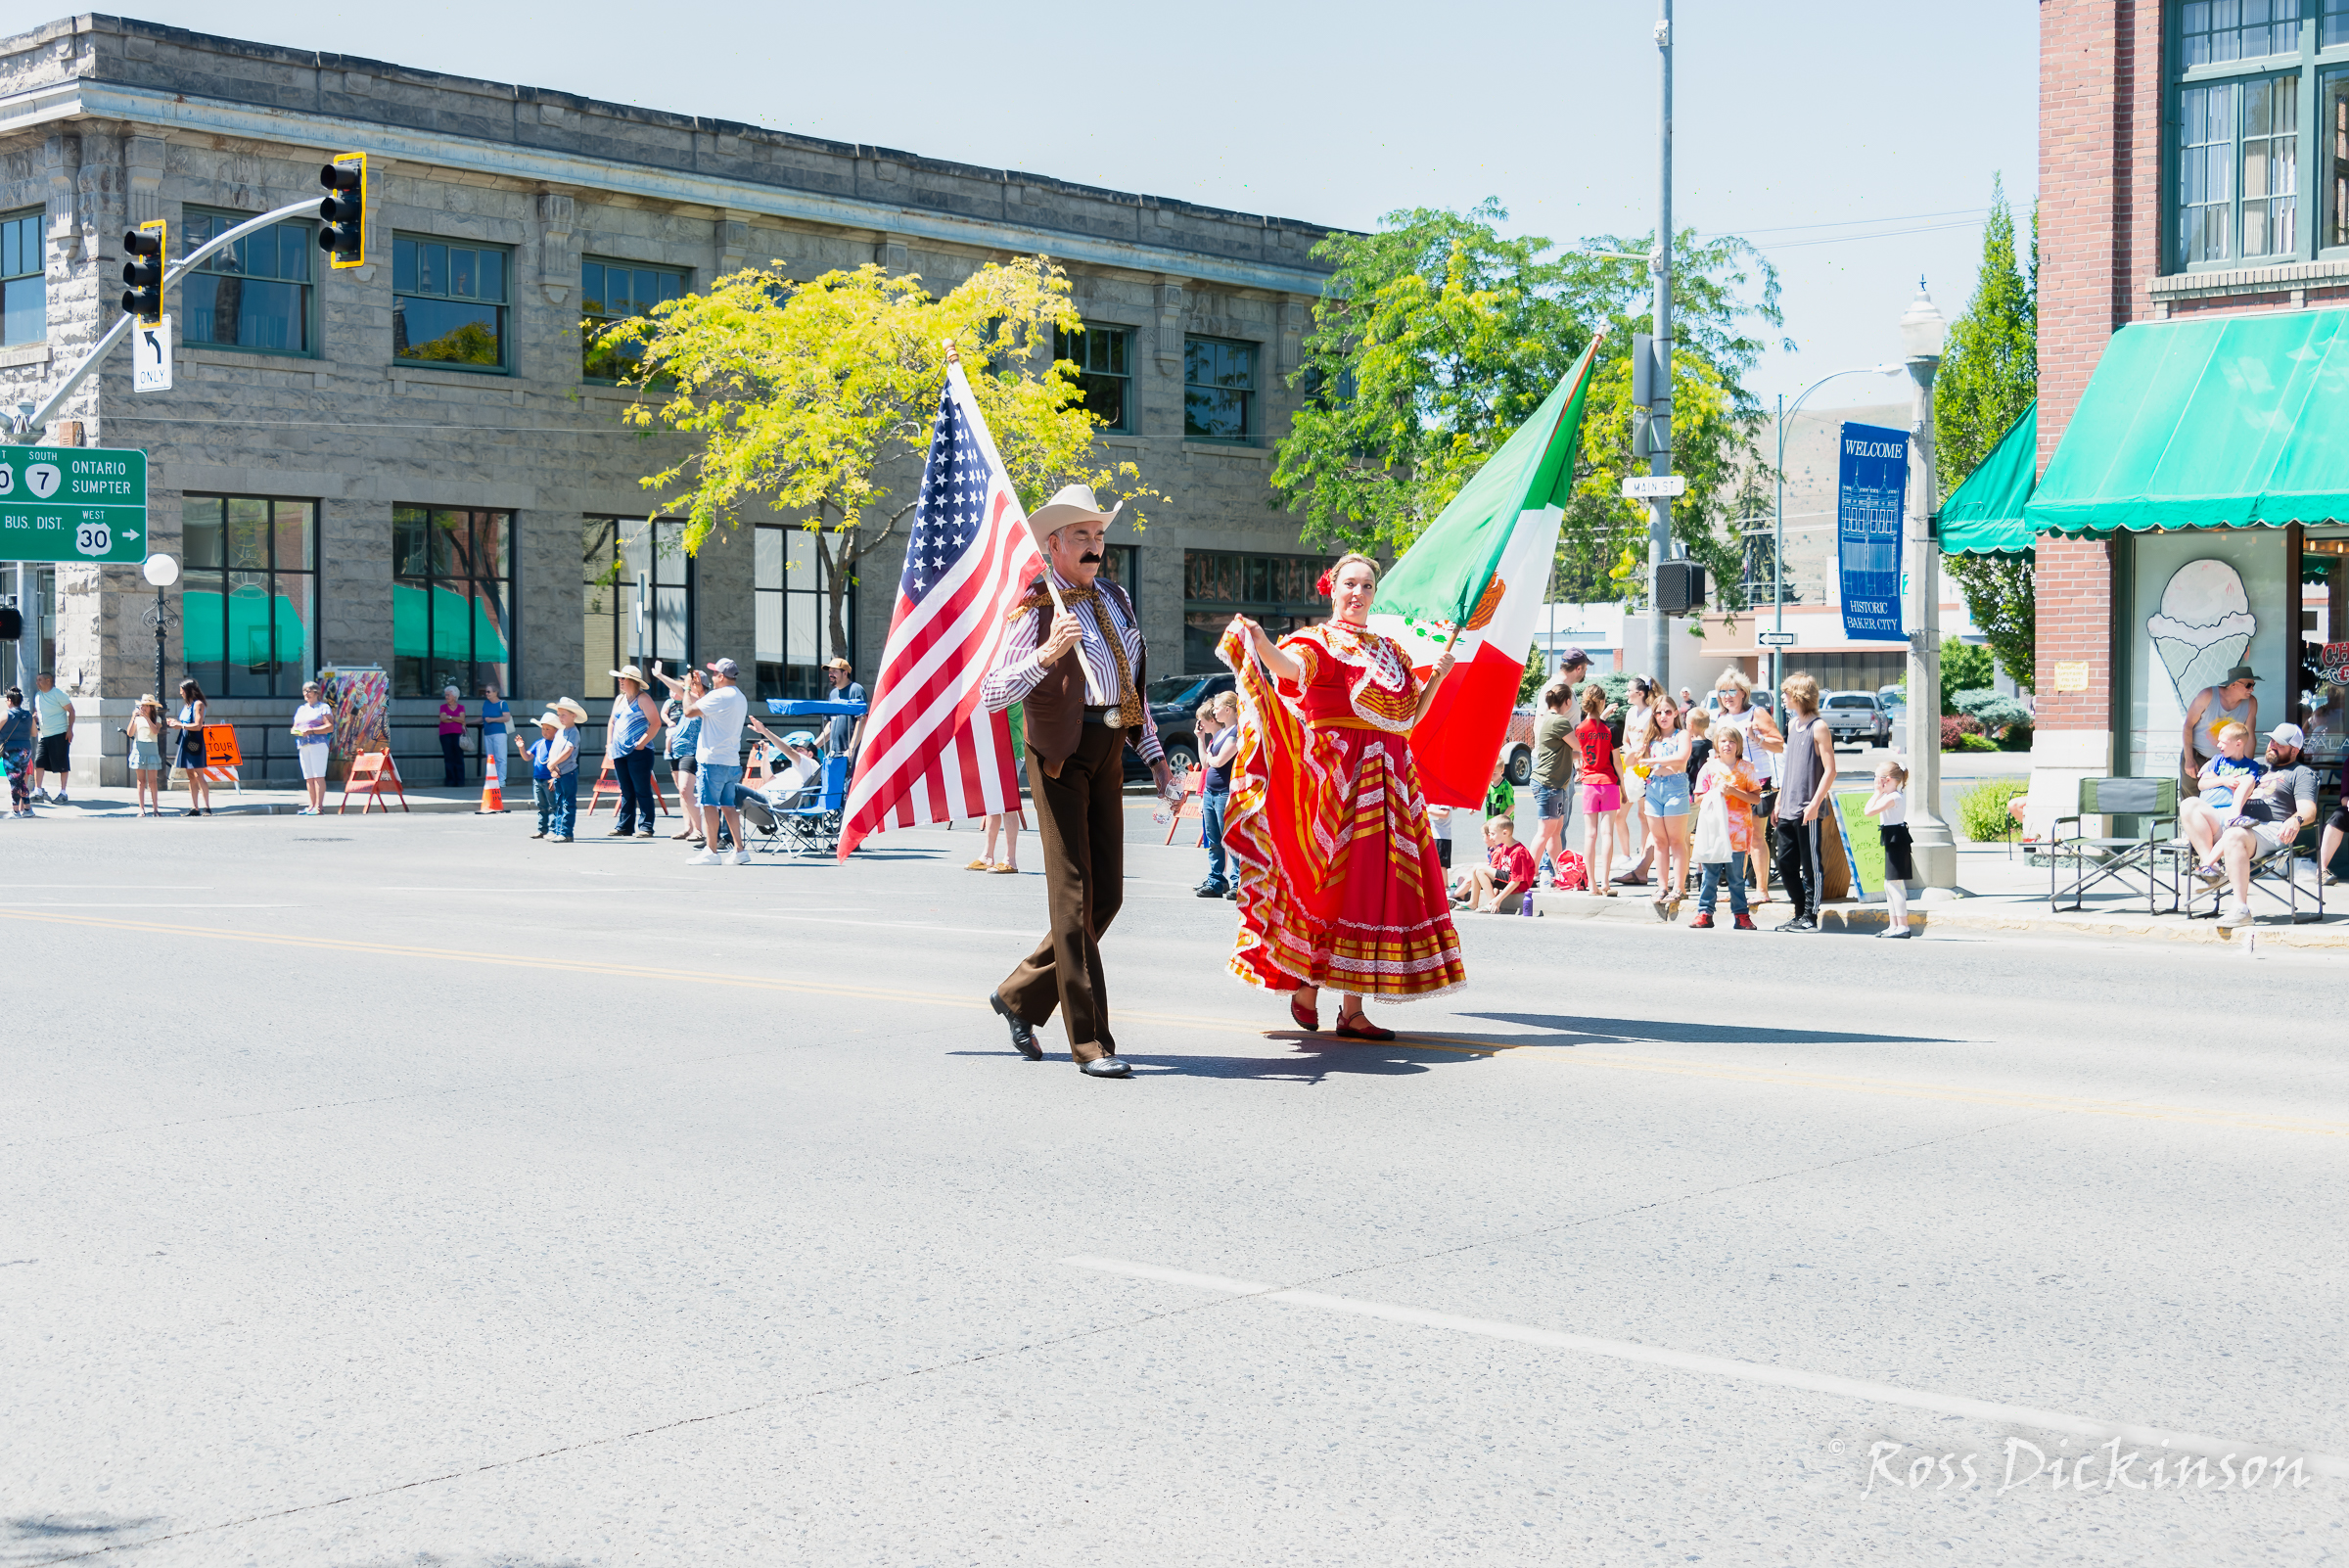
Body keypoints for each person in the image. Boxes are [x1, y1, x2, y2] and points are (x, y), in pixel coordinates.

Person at [1221, 550, 1466, 1040]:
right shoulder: (1317, 640)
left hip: (1391, 785)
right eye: (1349, 584)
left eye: (1367, 586)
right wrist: (1262, 641)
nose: (1358, 594)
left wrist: (1436, 677)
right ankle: (1307, 984)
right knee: (1327, 886)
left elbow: (1408, 718)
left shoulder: (1391, 652)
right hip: (1335, 781)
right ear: (1332, 588)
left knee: (1373, 892)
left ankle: (1351, 1009)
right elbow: (1289, 669)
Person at [980, 484, 1171, 1077]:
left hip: (1112, 742)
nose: (1094, 547)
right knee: (1075, 895)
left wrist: (1158, 758)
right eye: (1082, 537)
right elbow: (991, 692)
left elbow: (1131, 685)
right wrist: (1043, 656)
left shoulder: (1115, 597)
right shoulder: (1035, 604)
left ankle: (1020, 995)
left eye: (1099, 536)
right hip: (1059, 751)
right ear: (1054, 545)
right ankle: (1090, 1042)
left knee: (1106, 895)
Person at [2193, 722, 2319, 930]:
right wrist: (2211, 767)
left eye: (2279, 744)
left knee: (2234, 834)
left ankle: (2240, 908)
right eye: (2271, 741)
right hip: (2237, 822)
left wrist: (2295, 819)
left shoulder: (2301, 773)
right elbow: (2228, 761)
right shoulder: (2257, 765)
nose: (2271, 746)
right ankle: (2212, 868)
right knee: (2191, 805)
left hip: (2269, 829)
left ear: (2294, 750)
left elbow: (2309, 810)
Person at [1771, 672, 1838, 932]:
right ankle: (1799, 912)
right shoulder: (1791, 725)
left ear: (1798, 695)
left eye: (1786, 693)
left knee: (1811, 864)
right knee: (1785, 863)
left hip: (1807, 809)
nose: (1783, 698)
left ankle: (1810, 915)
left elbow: (1830, 770)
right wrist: (1778, 801)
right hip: (1787, 806)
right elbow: (1790, 769)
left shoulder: (1817, 726)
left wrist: (1814, 803)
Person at [1711, 669, 1783, 907]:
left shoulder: (1756, 713)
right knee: (1735, 840)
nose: (1727, 696)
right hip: (1730, 784)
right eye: (1722, 691)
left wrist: (1756, 737)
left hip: (1756, 783)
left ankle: (1762, 890)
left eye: (1732, 691)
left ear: (1743, 693)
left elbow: (1779, 745)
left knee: (1755, 839)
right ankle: (1737, 889)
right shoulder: (1721, 719)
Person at [1688, 726, 1761, 930]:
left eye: (1732, 741)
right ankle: (1704, 912)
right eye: (1723, 741)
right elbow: (1699, 797)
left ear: (1738, 746)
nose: (1727, 745)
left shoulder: (1747, 768)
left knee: (1737, 877)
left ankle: (1741, 915)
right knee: (1710, 876)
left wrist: (1734, 792)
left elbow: (1755, 797)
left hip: (1738, 831)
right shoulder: (1709, 768)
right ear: (1716, 745)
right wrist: (1715, 792)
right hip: (1714, 829)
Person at [684, 657, 754, 866]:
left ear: (721, 677)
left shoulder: (720, 696)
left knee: (709, 805)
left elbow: (688, 712)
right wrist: (699, 692)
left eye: (715, 674)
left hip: (712, 760)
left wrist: (688, 689)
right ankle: (739, 850)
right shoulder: (739, 696)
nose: (713, 677)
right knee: (728, 806)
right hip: (730, 760)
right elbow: (708, 707)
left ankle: (711, 851)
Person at [1636, 692, 1693, 920]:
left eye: (1667, 712)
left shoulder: (1682, 735)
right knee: (1659, 841)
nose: (1663, 716)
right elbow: (1633, 758)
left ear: (1676, 713)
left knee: (1677, 840)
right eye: (1658, 713)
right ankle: (1662, 886)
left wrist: (1651, 761)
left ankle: (1678, 887)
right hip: (1653, 788)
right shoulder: (1652, 738)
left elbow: (1682, 758)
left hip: (1675, 787)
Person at [2178, 720, 2267, 865]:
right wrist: (2224, 781)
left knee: (2248, 780)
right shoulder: (2217, 761)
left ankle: (2210, 864)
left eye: (2223, 742)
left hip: (2227, 816)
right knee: (2191, 809)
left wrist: (2215, 778)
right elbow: (2201, 784)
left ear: (2238, 744)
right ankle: (2210, 866)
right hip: (2207, 813)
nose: (2218, 745)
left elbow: (2248, 785)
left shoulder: (2251, 766)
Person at [603, 665, 666, 839]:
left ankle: (646, 827)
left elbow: (656, 723)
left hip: (640, 752)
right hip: (619, 751)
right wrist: (609, 744)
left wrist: (641, 743)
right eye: (620, 678)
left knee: (642, 789)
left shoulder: (643, 699)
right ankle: (625, 826)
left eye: (623, 678)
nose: (620, 681)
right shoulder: (619, 699)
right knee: (626, 790)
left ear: (633, 681)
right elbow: (612, 722)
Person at [1573, 684, 1621, 899]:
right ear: (1602, 702)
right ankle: (1606, 883)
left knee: (1589, 834)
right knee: (1607, 833)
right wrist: (1625, 787)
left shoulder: (1580, 728)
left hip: (1590, 783)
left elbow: (1580, 753)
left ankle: (1591, 885)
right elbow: (1618, 762)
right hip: (1609, 782)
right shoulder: (1612, 729)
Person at [652, 664, 707, 846]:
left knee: (685, 790)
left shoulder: (701, 700)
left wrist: (660, 676)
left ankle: (698, 830)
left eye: (691, 682)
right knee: (683, 793)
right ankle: (688, 828)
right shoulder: (685, 700)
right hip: (677, 750)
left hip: (691, 752)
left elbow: (681, 690)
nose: (687, 685)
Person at [2181, 666, 2258, 793]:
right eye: (2248, 685)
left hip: (2227, 763)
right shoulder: (2208, 695)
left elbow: (2249, 737)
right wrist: (2189, 759)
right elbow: (2188, 725)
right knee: (2191, 800)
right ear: (2233, 685)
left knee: (2220, 800)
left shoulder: (2251, 703)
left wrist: (2246, 765)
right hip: (2197, 757)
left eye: (2253, 684)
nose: (2252, 689)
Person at [1530, 682, 1577, 890]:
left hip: (1552, 783)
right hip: (1548, 784)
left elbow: (1568, 751)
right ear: (1566, 701)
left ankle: (1560, 874)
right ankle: (1527, 875)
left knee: (1555, 831)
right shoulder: (1559, 721)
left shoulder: (1547, 719)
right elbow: (1579, 746)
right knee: (1545, 831)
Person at [1864, 756, 1913, 939]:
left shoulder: (1893, 797)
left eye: (1877, 778)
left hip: (1897, 840)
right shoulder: (1890, 796)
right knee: (1888, 885)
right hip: (1892, 838)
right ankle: (1894, 925)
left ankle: (1903, 926)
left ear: (1887, 780)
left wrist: (1877, 793)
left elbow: (1868, 812)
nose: (1876, 782)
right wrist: (1879, 793)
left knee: (1895, 884)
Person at [1612, 676, 1656, 886]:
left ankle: (1642, 856)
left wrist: (1642, 755)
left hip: (1647, 768)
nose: (1626, 693)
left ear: (1640, 693)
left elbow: (1652, 740)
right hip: (1630, 767)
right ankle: (1626, 854)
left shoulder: (1651, 713)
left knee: (1644, 815)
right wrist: (1630, 753)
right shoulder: (1631, 712)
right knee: (1619, 813)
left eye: (1629, 690)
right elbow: (1625, 741)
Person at [1195, 690, 1239, 897]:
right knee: (1213, 840)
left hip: (1224, 793)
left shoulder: (1236, 732)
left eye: (1218, 707)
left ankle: (1238, 883)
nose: (1215, 711)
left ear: (1228, 710)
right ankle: (1216, 881)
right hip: (1211, 793)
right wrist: (1200, 739)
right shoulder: (1220, 733)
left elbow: (1219, 761)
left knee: (1229, 839)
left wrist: (1213, 758)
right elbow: (1205, 762)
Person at [1455, 815, 1538, 915]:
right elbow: (1498, 875)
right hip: (1508, 879)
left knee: (1481, 869)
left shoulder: (1518, 851)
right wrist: (1495, 894)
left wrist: (1497, 900)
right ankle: (1473, 902)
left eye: (1493, 834)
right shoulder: (1504, 848)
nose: (1490, 837)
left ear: (1505, 833)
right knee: (1476, 868)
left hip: (1519, 884)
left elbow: (1516, 881)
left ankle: (1492, 904)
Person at [168, 678, 212, 816]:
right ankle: (195, 807)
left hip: (195, 741)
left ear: (188, 691)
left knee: (199, 775)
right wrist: (175, 723)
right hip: (185, 740)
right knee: (190, 775)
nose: (180, 693)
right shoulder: (187, 706)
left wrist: (180, 725)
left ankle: (207, 807)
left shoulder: (198, 704)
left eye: (182, 691)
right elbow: (184, 723)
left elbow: (198, 725)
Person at [544, 698, 586, 842]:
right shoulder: (560, 732)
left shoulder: (573, 732)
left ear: (573, 715)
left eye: (563, 715)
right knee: (559, 802)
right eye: (559, 715)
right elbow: (553, 750)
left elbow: (568, 751)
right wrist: (552, 765)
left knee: (568, 802)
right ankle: (558, 830)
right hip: (559, 772)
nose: (560, 718)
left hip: (568, 772)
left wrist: (554, 763)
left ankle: (566, 832)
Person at [290, 680, 334, 814]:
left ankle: (319, 807)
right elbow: (294, 727)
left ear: (316, 692)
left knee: (318, 776)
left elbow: (330, 726)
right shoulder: (301, 709)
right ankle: (311, 806)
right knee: (308, 777)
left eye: (309, 691)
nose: (306, 693)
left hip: (318, 743)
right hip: (303, 744)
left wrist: (312, 731)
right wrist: (297, 731)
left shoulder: (323, 707)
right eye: (304, 691)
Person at [32, 671, 71, 805]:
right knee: (39, 762)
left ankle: (63, 792)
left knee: (62, 764)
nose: (37, 683)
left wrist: (70, 729)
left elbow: (71, 711)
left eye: (40, 680)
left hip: (59, 733)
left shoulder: (58, 694)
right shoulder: (37, 696)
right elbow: (39, 712)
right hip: (44, 735)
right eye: (37, 680)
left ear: (48, 680)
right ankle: (38, 791)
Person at [124, 695, 166, 816]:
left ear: (151, 707)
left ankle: (155, 808)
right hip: (139, 749)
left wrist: (146, 718)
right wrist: (133, 717)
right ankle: (141, 808)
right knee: (141, 781)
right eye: (142, 705)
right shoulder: (137, 719)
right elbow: (130, 733)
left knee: (152, 781)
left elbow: (155, 731)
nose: (143, 707)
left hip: (151, 749)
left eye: (146, 705)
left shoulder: (156, 718)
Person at [525, 711, 563, 839]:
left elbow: (561, 763)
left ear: (556, 731)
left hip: (549, 779)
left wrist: (554, 778)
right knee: (541, 806)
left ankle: (553, 829)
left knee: (553, 805)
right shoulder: (538, 743)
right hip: (538, 779)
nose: (544, 731)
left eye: (548, 729)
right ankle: (542, 829)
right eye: (543, 729)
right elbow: (527, 756)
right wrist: (521, 747)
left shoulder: (557, 745)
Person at [822, 657, 867, 761]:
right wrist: (813, 746)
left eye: (834, 671)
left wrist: (851, 748)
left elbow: (862, 720)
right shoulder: (833, 694)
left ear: (845, 673)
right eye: (829, 672)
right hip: (834, 753)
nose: (830, 675)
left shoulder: (856, 689)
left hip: (851, 754)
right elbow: (830, 724)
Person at [0, 687, 32, 819]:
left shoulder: (6, 714)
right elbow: (34, 733)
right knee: (20, 780)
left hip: (11, 751)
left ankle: (15, 811)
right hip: (25, 750)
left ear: (10, 700)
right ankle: (28, 809)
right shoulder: (28, 715)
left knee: (14, 781)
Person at [479, 682, 510, 785]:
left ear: (495, 692)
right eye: (485, 692)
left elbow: (506, 717)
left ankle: (501, 780)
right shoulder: (486, 703)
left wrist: (492, 720)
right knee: (490, 758)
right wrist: (467, 722)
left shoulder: (502, 703)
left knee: (500, 757)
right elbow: (483, 718)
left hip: (499, 733)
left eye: (488, 691)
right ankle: (492, 779)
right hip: (488, 733)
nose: (486, 694)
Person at [436, 685, 468, 788]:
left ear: (454, 695)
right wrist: (455, 718)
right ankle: (450, 780)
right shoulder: (443, 707)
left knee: (458, 757)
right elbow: (443, 719)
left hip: (458, 734)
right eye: (446, 695)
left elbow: (462, 720)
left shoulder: (461, 707)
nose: (446, 697)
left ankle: (460, 780)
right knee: (449, 757)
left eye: (448, 695)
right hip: (445, 734)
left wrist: (449, 717)